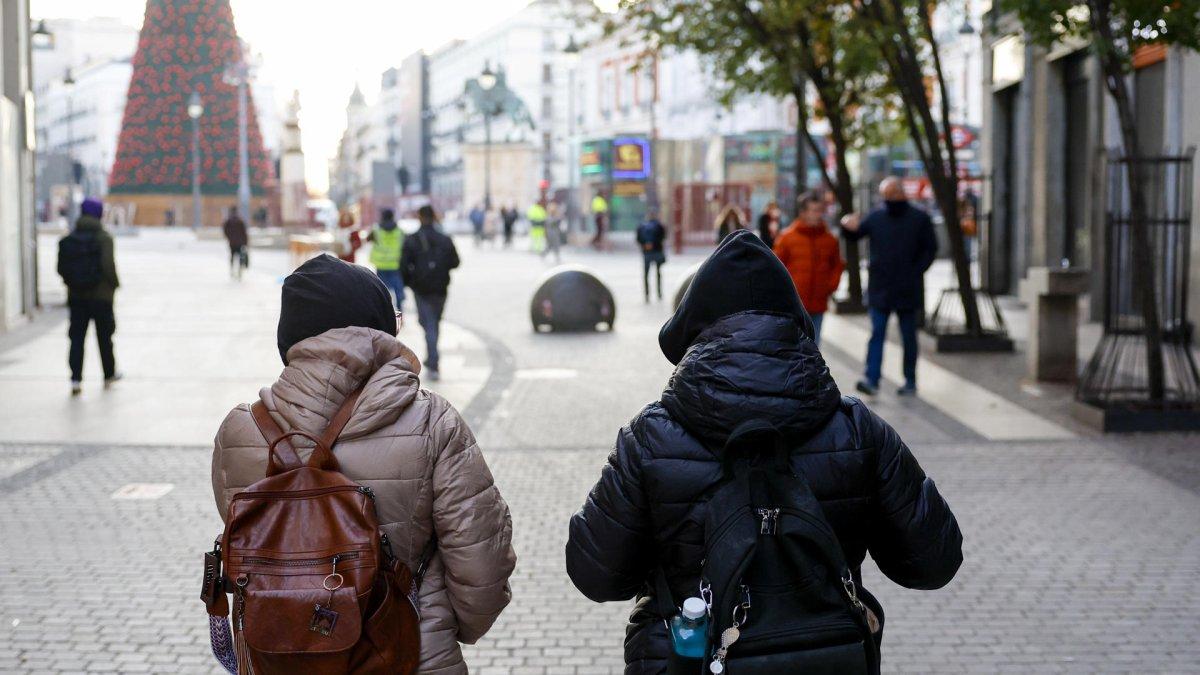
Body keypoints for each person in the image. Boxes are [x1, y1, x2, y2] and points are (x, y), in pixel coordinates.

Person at [565, 231, 962, 673]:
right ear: (795, 325)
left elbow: (595, 575)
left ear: (693, 331)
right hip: (828, 659)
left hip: (689, 661)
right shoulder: (856, 430)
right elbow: (934, 561)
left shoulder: (651, 438)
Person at [211, 254, 515, 674]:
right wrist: (438, 624)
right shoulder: (431, 422)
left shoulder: (242, 430)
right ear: (380, 328)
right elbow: (482, 562)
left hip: (275, 656)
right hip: (410, 655)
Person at [841, 176, 939, 396]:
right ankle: (871, 378)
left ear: (902, 193)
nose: (890, 199)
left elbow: (930, 249)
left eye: (893, 194)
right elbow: (855, 234)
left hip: (907, 287)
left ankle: (910, 380)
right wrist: (847, 226)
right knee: (877, 333)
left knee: (908, 337)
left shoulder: (919, 218)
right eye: (886, 195)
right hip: (881, 286)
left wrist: (916, 270)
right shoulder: (876, 217)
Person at [57, 197, 121, 396]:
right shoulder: (104, 238)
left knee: (76, 338)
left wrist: (73, 283)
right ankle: (108, 375)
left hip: (77, 297)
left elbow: (61, 268)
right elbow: (108, 267)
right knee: (104, 337)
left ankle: (76, 380)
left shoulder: (69, 239)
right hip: (101, 298)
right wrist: (114, 285)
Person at [772, 191, 845, 344]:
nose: (817, 215)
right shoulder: (787, 238)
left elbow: (837, 265)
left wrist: (830, 286)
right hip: (793, 306)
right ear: (803, 212)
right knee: (793, 350)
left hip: (818, 302)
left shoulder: (829, 239)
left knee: (814, 348)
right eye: (813, 210)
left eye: (819, 210)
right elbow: (774, 268)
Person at [401, 206, 460, 382]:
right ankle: (431, 356)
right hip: (441, 288)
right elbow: (456, 262)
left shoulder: (412, 239)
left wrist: (409, 282)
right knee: (433, 321)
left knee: (429, 323)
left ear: (419, 217)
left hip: (421, 288)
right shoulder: (445, 239)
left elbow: (403, 265)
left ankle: (433, 362)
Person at [368, 208, 405, 309]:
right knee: (398, 292)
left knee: (382, 292)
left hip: (381, 266)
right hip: (395, 265)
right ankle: (400, 313)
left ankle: (385, 314)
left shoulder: (376, 230)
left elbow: (367, 239)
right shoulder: (399, 231)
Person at [636, 209, 667, 302]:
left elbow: (638, 239)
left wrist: (645, 245)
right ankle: (659, 293)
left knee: (646, 274)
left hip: (647, 253)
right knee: (658, 273)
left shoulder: (641, 227)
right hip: (657, 252)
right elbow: (663, 238)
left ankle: (646, 295)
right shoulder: (660, 226)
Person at [222, 207, 249, 279]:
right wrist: (246, 243)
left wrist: (229, 237)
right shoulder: (240, 221)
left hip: (232, 243)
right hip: (240, 243)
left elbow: (225, 231)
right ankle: (239, 271)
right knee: (240, 256)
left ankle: (232, 270)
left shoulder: (228, 221)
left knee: (232, 256)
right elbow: (244, 233)